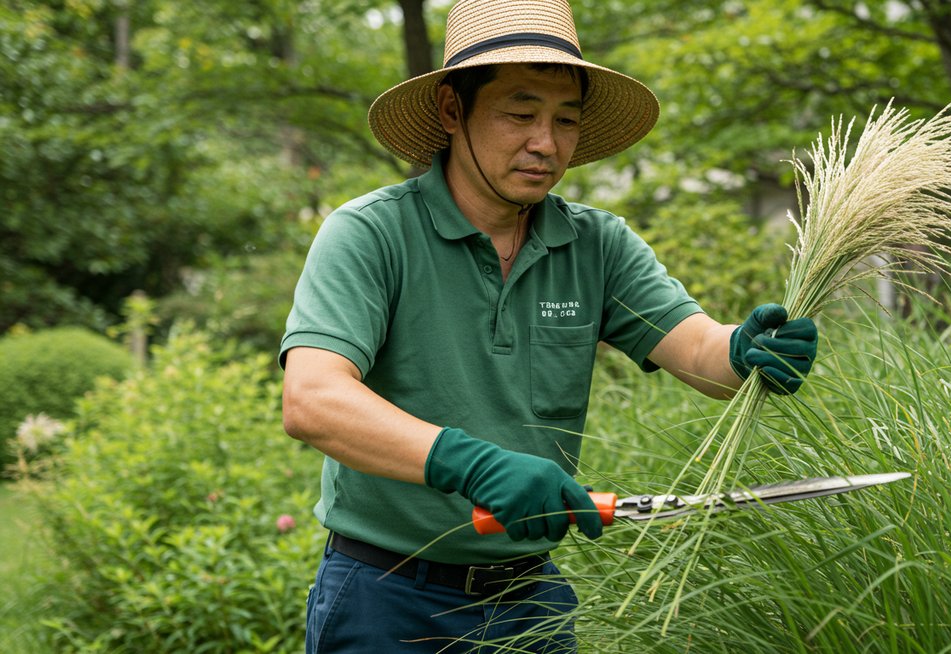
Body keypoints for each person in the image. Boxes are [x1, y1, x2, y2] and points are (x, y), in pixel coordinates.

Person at [279, 0, 818, 651]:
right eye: (520, 113)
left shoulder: (596, 244)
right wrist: (469, 465)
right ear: (453, 111)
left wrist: (745, 350)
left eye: (566, 120)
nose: (547, 143)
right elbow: (312, 400)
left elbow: (700, 350)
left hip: (530, 601)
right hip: (387, 599)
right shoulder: (371, 234)